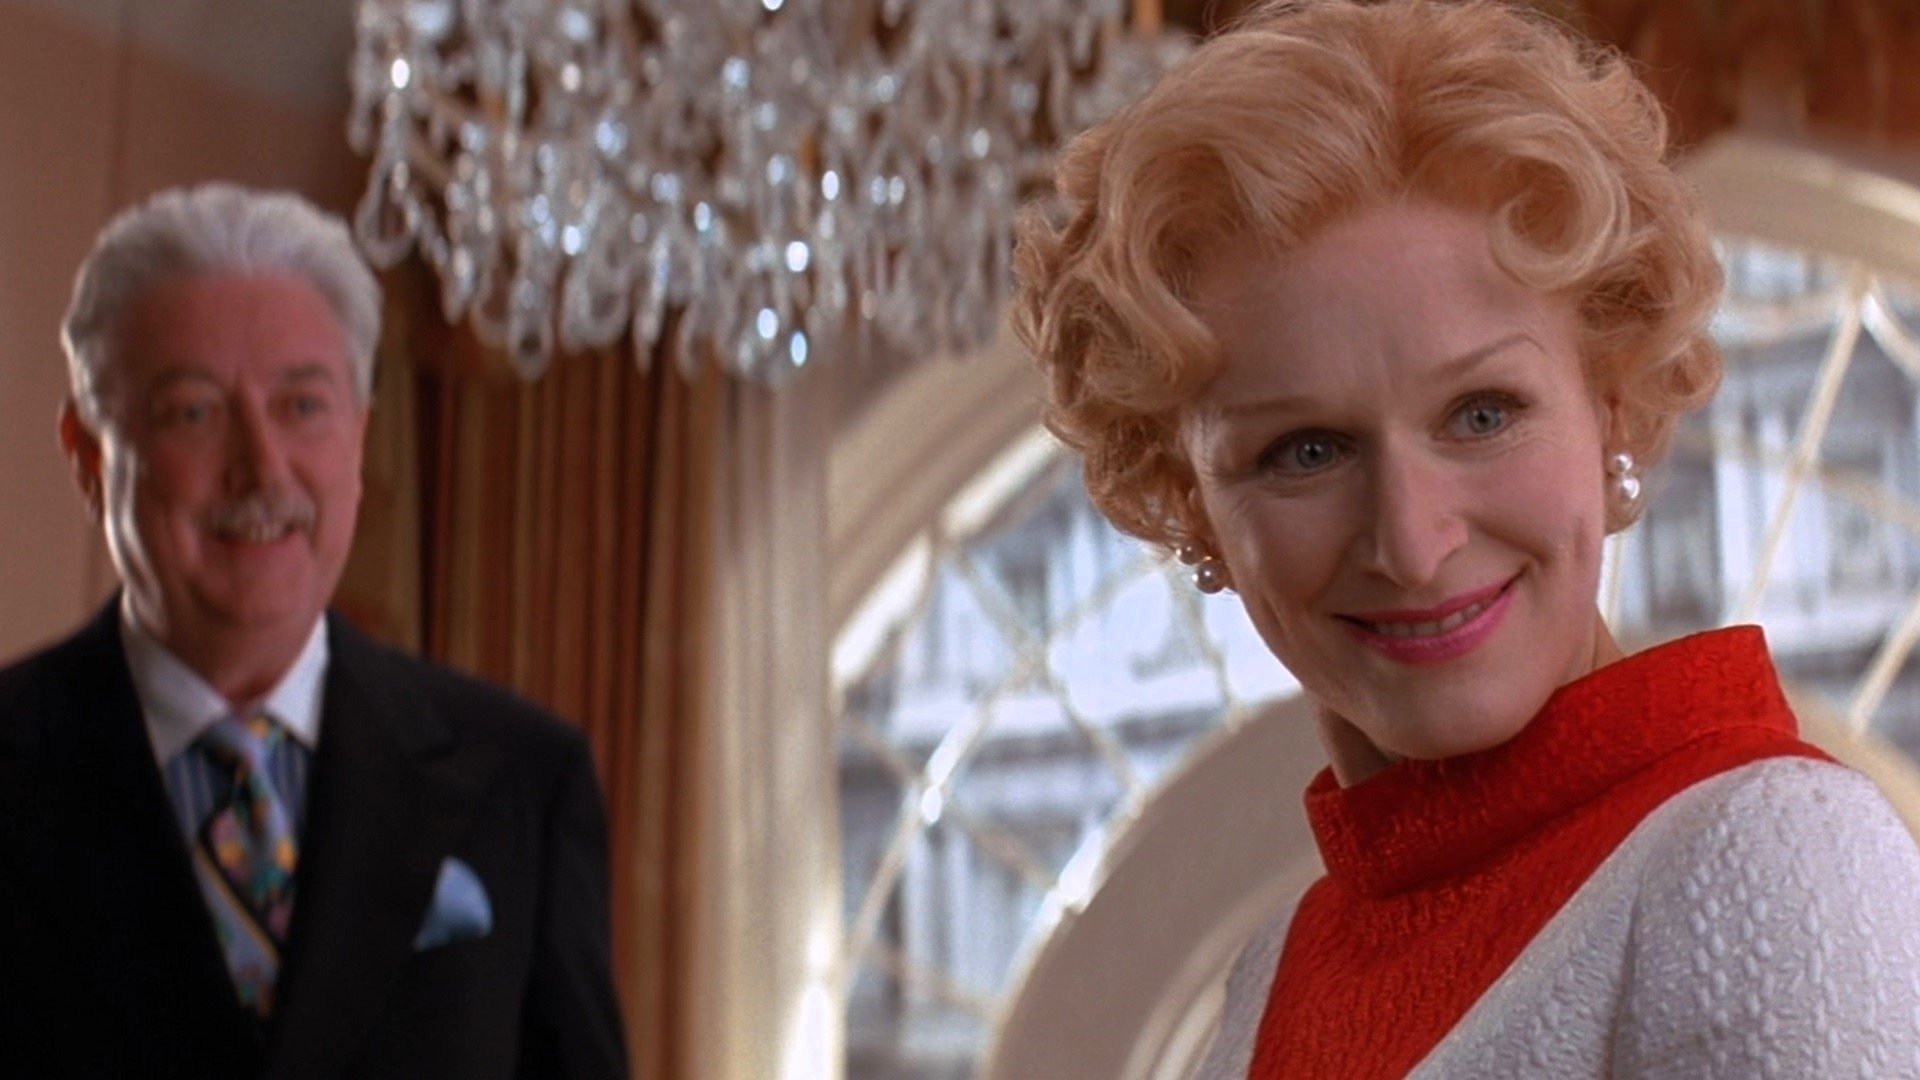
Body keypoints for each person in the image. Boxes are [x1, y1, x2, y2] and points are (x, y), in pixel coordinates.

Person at [1013, 1, 1920, 1076]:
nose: (1411, 541)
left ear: (1615, 408)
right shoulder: (1280, 965)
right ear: (1190, 504)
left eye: (1483, 415)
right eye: (1306, 451)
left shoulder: (1765, 851)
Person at [0, 183, 628, 1079]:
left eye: (302, 406)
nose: (262, 468)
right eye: (194, 412)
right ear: (89, 455)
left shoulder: (523, 779)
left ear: (359, 440)